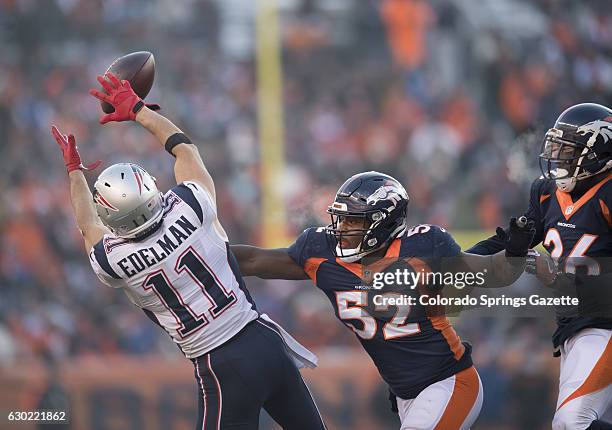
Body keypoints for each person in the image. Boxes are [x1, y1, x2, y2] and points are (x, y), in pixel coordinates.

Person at [51, 72, 326, 430]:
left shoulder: (115, 261)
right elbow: (183, 148)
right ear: (148, 187)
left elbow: (89, 226)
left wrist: (75, 172)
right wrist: (139, 110)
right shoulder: (191, 206)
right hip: (264, 339)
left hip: (221, 363)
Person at [231, 171, 535, 430]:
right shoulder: (321, 253)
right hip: (405, 395)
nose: (342, 231)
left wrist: (516, 251)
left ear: (383, 222)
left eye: (353, 222)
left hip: (450, 382)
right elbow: (255, 260)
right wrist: (200, 249)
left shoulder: (424, 249)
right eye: (341, 220)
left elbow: (495, 273)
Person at [468, 103, 612, 430]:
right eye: (557, 148)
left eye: (568, 150)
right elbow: (512, 241)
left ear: (598, 151)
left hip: (604, 323)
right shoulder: (547, 192)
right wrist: (458, 262)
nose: (558, 157)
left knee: (571, 422)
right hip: (576, 326)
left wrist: (565, 279)